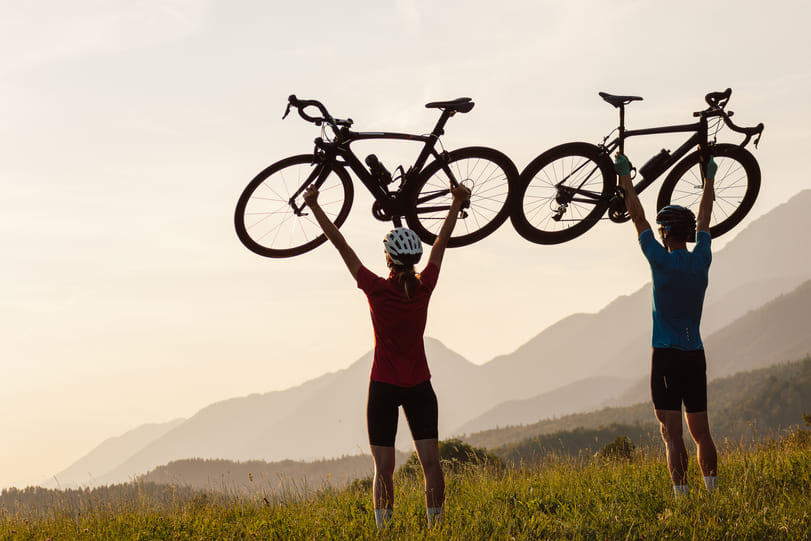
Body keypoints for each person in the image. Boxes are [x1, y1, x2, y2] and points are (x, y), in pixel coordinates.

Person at [303, 182, 471, 528]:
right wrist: (456, 202)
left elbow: (341, 244)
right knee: (431, 464)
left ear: (389, 259)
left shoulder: (376, 289)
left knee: (383, 468)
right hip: (420, 385)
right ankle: (436, 528)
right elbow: (440, 243)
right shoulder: (424, 287)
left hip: (383, 384)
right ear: (414, 260)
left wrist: (315, 205)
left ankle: (386, 531)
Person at [615, 152, 719, 499]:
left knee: (671, 434)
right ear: (687, 233)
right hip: (695, 354)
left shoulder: (659, 260)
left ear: (665, 233)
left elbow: (638, 215)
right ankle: (712, 492)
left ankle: (682, 499)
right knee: (701, 432)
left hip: (665, 356)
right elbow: (705, 216)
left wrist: (626, 178)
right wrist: (708, 179)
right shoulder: (701, 258)